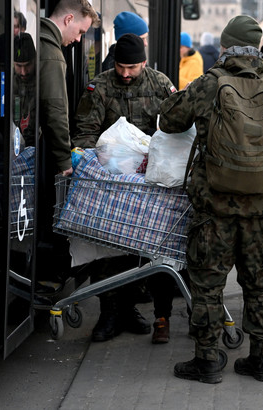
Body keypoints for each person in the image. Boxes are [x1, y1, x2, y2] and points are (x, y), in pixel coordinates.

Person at [159, 15, 263, 383]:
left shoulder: (211, 82)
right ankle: (262, 359)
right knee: (258, 283)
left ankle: (207, 360)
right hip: (258, 210)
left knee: (208, 284)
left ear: (225, 46)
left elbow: (169, 121)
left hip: (214, 208)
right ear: (257, 47)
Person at [73, 33, 177, 343]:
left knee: (140, 251)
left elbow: (176, 130)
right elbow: (85, 132)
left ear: (144, 63)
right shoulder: (100, 86)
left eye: (132, 67)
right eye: (121, 66)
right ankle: (109, 312)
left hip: (149, 181)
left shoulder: (160, 85)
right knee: (106, 250)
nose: (126, 73)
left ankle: (129, 308)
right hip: (110, 181)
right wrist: (95, 168)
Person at [37, 0, 99, 286]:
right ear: (68, 19)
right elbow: (55, 110)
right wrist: (64, 160)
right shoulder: (51, 53)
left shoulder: (32, 40)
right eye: (79, 31)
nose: (78, 40)